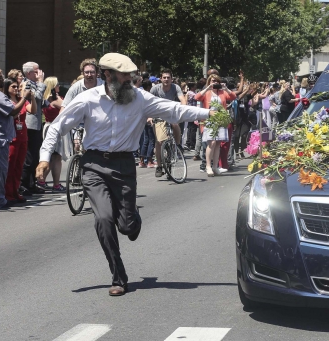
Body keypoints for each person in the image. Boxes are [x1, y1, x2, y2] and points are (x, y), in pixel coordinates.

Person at [36, 53, 216, 296]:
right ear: (107, 75)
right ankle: (118, 276)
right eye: (124, 75)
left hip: (124, 167)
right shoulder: (88, 99)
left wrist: (208, 114)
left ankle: (132, 219)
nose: (130, 79)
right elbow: (58, 126)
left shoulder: (140, 98)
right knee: (103, 219)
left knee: (127, 227)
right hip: (94, 166)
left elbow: (173, 110)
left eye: (132, 75)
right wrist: (44, 158)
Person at [0, 69, 31, 209]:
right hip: (0, 139)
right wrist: (25, 97)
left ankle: (5, 196)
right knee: (0, 172)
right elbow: (13, 111)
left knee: (4, 170)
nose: (4, 78)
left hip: (4, 137)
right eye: (1, 76)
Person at [195, 74, 236, 176]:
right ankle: (208, 166)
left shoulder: (222, 92)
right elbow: (197, 97)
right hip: (209, 119)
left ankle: (215, 166)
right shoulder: (207, 92)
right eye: (213, 81)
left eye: (217, 81)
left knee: (218, 143)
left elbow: (233, 97)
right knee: (211, 143)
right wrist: (207, 88)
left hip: (220, 120)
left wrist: (226, 88)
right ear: (209, 82)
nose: (215, 83)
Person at [4, 78, 36, 204]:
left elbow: (33, 110)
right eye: (13, 87)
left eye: (17, 87)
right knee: (10, 167)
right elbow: (13, 112)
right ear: (7, 88)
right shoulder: (6, 101)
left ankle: (16, 191)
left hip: (23, 137)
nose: (16, 89)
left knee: (19, 167)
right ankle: (8, 193)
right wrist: (23, 98)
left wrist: (31, 97)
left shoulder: (21, 100)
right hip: (13, 138)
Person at [150, 69, 186, 178]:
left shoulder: (176, 87)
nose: (166, 79)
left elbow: (182, 100)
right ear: (160, 79)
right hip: (158, 116)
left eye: (168, 77)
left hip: (171, 114)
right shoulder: (155, 89)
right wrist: (149, 117)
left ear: (171, 79)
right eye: (164, 77)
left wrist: (183, 109)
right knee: (159, 142)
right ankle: (159, 166)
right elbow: (148, 102)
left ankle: (177, 145)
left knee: (175, 124)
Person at [20, 61, 46, 196]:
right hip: (29, 124)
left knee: (35, 156)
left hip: (37, 124)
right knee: (29, 157)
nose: (40, 73)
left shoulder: (35, 84)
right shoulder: (27, 83)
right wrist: (42, 83)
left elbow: (42, 101)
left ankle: (31, 183)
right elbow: (36, 96)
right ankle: (23, 184)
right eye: (36, 71)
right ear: (29, 73)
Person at [38, 77, 66, 192]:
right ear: (53, 86)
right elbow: (68, 108)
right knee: (56, 157)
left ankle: (41, 181)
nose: (59, 86)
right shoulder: (56, 99)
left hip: (47, 126)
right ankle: (55, 184)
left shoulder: (45, 98)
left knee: (49, 156)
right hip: (55, 127)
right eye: (57, 84)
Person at [138, 79, 156, 168]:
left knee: (145, 140)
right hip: (149, 119)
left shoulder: (140, 95)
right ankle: (149, 160)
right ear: (149, 87)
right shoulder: (149, 95)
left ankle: (142, 161)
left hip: (143, 119)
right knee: (151, 140)